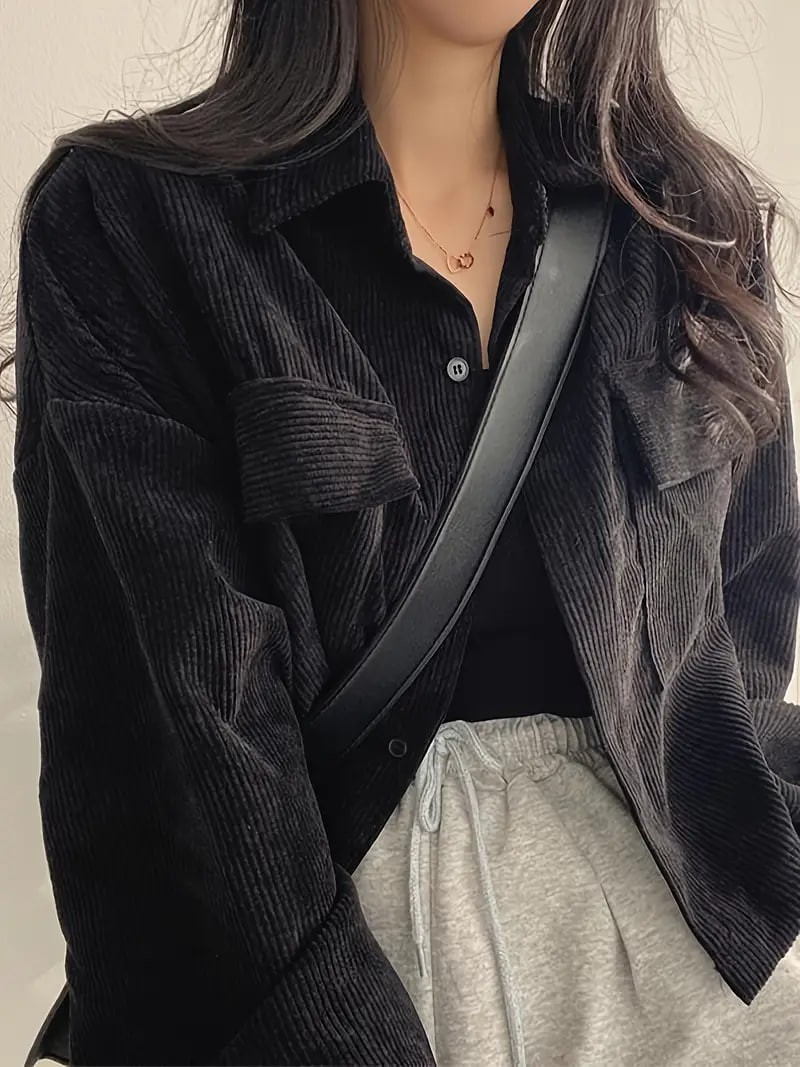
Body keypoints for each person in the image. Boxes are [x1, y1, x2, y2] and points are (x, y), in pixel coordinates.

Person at [5, 0, 800, 1064]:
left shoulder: (682, 223)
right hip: (326, 964)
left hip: (692, 935)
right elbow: (174, 743)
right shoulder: (131, 222)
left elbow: (742, 628)